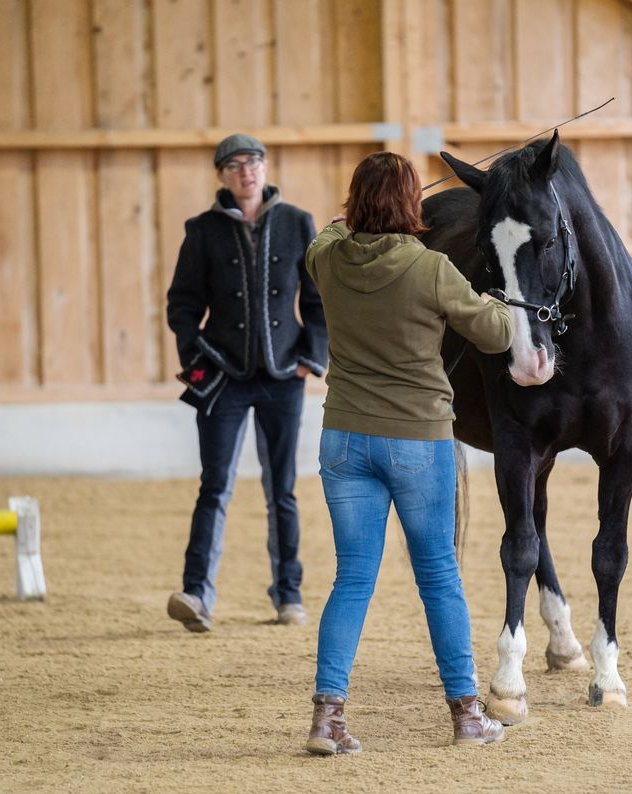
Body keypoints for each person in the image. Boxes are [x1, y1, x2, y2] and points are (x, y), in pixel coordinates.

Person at [301, 152, 513, 753]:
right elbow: (494, 333)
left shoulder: (327, 262)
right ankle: (468, 717)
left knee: (352, 581)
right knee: (440, 580)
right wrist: (498, 302)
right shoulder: (431, 268)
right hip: (418, 440)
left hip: (343, 438)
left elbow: (327, 232)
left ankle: (327, 719)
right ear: (410, 205)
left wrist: (347, 217)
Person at [165, 133, 327, 633]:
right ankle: (197, 594)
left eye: (253, 161)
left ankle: (289, 594)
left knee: (282, 490)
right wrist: (196, 360)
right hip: (223, 377)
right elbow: (183, 306)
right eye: (234, 164)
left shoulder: (298, 223)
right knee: (214, 487)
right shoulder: (202, 230)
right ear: (221, 175)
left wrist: (311, 358)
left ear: (264, 167)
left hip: (284, 376)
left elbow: (318, 300)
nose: (246, 171)